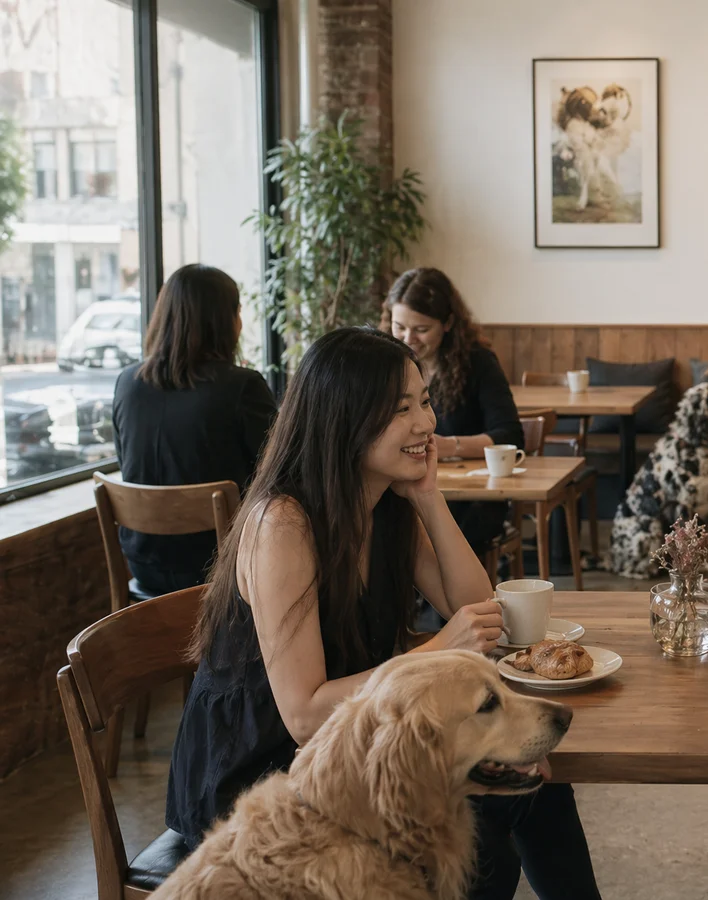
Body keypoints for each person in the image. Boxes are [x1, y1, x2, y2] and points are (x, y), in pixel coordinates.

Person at [165, 327, 601, 900]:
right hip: (256, 771)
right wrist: (439, 650)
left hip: (354, 748)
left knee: (538, 787)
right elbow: (303, 714)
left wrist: (428, 496)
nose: (426, 423)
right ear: (344, 419)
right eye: (402, 409)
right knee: (483, 834)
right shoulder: (284, 525)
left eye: (425, 401)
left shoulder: (384, 504)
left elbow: (474, 607)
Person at [112, 264, 276, 596]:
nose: (241, 323)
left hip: (144, 565)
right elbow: (280, 471)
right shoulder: (242, 387)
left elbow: (126, 462)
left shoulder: (127, 383)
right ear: (223, 321)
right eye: (238, 312)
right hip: (220, 568)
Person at [385, 267, 522, 557]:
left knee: (446, 533)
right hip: (404, 483)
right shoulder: (385, 366)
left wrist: (450, 446)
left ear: (447, 323)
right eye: (399, 327)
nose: (408, 338)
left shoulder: (477, 363)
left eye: (421, 329)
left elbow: (510, 434)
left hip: (471, 496)